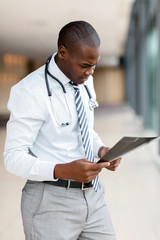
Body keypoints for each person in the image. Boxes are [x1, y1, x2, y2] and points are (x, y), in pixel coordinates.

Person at [4, 21, 121, 240]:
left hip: (93, 197)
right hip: (50, 203)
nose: (90, 72)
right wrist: (63, 170)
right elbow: (13, 157)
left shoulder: (86, 81)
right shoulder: (30, 91)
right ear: (63, 53)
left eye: (94, 66)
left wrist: (100, 150)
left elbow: (84, 129)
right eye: (85, 65)